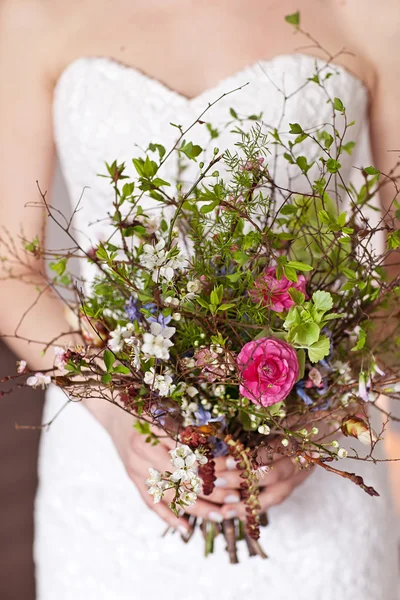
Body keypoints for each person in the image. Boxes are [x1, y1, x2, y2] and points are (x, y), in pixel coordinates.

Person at [0, 1, 399, 598]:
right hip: (110, 471)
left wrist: (314, 422)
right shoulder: (33, 13)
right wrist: (116, 414)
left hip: (314, 469)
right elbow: (10, 270)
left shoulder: (370, 12)